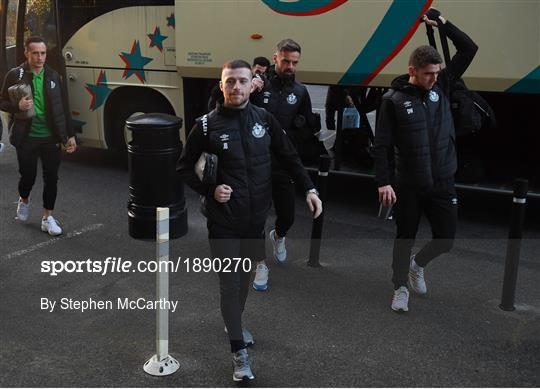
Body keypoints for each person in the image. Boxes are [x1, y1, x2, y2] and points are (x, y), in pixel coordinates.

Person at [177, 59, 322, 382]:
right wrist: (210, 189)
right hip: (223, 221)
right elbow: (184, 167)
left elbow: (289, 156)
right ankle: (238, 352)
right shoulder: (205, 125)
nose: (237, 88)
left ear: (252, 83)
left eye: (243, 81)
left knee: (243, 281)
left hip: (255, 220)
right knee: (230, 284)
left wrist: (309, 188)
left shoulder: (264, 119)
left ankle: (235, 322)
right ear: (222, 84)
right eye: (231, 82)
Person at [373, 9, 478, 312]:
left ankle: (418, 266)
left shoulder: (442, 86)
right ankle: (399, 286)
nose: (434, 78)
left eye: (436, 72)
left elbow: (469, 49)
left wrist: (443, 24)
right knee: (404, 236)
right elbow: (382, 145)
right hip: (409, 183)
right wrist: (384, 182)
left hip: (443, 179)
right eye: (428, 73)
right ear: (413, 71)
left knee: (446, 238)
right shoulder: (392, 101)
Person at [251, 38, 324, 291]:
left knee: (288, 215)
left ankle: (279, 236)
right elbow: (236, 111)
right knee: (256, 218)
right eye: (285, 61)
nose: (290, 66)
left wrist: (302, 126)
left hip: (283, 162)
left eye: (294, 62)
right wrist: (250, 87)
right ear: (275, 59)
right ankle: (260, 263)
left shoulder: (300, 92)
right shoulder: (260, 86)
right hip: (258, 163)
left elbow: (308, 126)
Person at [0, 36, 77, 236]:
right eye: (35, 53)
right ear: (26, 53)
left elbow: (64, 108)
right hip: (26, 137)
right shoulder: (15, 75)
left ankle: (47, 218)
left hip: (50, 137)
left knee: (51, 178)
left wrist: (70, 135)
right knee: (28, 176)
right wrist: (17, 106)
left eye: (43, 53)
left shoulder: (53, 76)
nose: (40, 57)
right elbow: (2, 102)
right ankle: (23, 199)